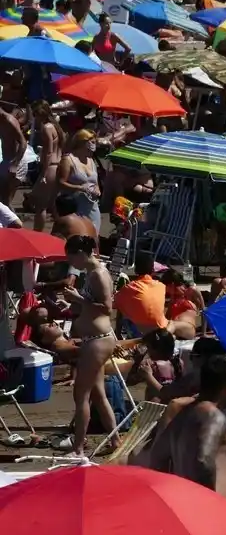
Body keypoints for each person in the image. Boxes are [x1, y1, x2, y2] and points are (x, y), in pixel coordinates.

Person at [143, 354, 226, 503]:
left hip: (187, 502)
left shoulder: (183, 413)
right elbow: (203, 460)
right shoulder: (213, 416)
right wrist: (209, 502)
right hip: (214, 512)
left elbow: (157, 457)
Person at [60, 235, 119, 455]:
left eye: (71, 257)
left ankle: (78, 448)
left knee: (81, 393)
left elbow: (107, 307)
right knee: (97, 394)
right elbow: (90, 307)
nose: (71, 263)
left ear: (83, 253)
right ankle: (114, 441)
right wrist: (71, 303)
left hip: (98, 340)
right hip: (93, 339)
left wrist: (77, 299)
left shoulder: (99, 274)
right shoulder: (91, 273)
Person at [57, 130, 101, 235]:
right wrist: (79, 188)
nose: (94, 145)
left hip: (92, 206)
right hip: (75, 206)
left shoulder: (90, 160)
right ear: (82, 142)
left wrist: (97, 190)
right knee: (78, 235)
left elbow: (96, 183)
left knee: (94, 236)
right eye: (92, 142)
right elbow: (60, 182)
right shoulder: (68, 160)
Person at [0, 103, 25, 208]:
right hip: (6, 160)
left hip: (15, 161)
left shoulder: (9, 121)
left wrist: (15, 164)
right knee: (2, 200)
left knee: (6, 201)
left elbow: (23, 142)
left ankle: (16, 224)